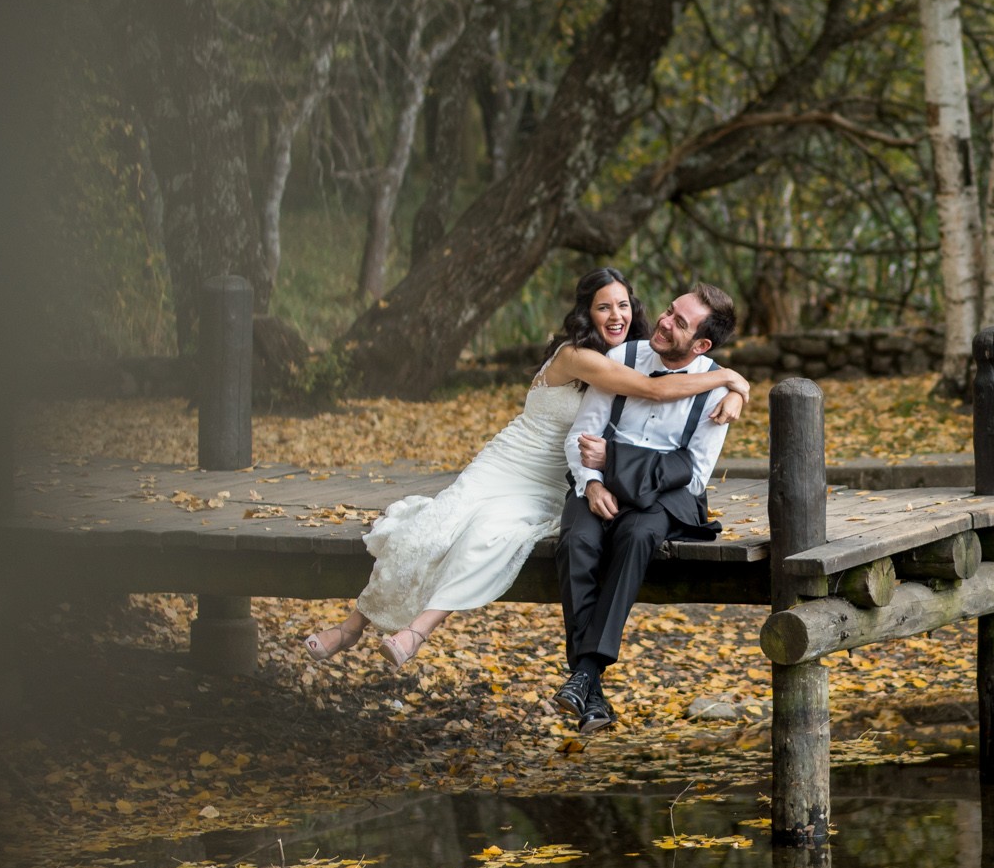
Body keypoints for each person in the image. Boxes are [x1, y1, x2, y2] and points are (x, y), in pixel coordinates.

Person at [303, 269, 748, 669]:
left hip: (555, 480)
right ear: (585, 313)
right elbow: (655, 392)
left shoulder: (635, 354)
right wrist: (732, 380)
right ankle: (351, 626)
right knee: (432, 531)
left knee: (489, 539)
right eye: (603, 307)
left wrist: (731, 389)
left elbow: (671, 392)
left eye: (624, 305)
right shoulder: (580, 357)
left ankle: (415, 633)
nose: (616, 316)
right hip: (508, 464)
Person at [553, 282, 738, 733]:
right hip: (601, 482)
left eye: (679, 321)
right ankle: (589, 690)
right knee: (576, 541)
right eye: (668, 310)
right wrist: (594, 483)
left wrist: (614, 462)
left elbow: (692, 474)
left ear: (701, 344)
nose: (663, 320)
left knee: (637, 536)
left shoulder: (714, 394)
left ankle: (586, 675)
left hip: (664, 499)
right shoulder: (621, 360)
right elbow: (582, 435)